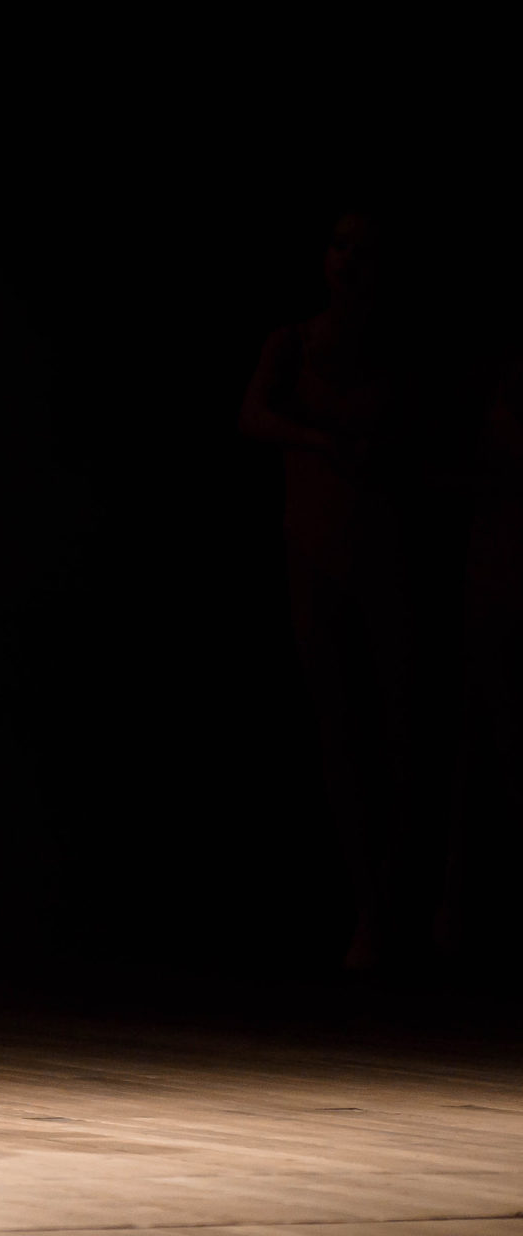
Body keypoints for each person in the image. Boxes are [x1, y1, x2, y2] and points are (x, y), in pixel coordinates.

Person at [239, 211, 410, 970]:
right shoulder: (293, 342)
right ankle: (367, 908)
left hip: (383, 556)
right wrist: (317, 440)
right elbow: (249, 416)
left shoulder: (398, 350)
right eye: (339, 244)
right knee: (337, 727)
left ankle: (403, 896)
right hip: (312, 553)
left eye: (363, 250)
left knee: (400, 725)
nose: (347, 260)